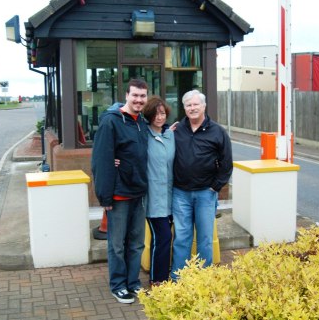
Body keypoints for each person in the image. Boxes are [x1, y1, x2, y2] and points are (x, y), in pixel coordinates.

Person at [91, 79, 149, 304]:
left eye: (142, 96)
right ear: (126, 95)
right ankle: (118, 285)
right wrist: (104, 196)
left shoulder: (141, 122)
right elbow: (101, 160)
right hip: (118, 196)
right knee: (116, 245)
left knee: (136, 243)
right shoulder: (111, 122)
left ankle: (133, 282)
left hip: (139, 194)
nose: (138, 100)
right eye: (135, 95)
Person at [170, 89, 233, 281]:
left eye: (196, 104)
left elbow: (226, 163)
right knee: (181, 238)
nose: (192, 108)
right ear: (184, 108)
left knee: (205, 239)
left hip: (206, 193)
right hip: (180, 193)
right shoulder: (176, 130)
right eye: (188, 105)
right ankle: (178, 278)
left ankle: (203, 279)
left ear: (204, 106)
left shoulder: (218, 132)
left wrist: (215, 186)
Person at [142, 96, 175, 285]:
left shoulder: (171, 135)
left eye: (162, 113)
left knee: (161, 239)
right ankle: (158, 280)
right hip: (153, 198)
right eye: (155, 114)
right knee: (163, 237)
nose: (159, 117)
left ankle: (159, 275)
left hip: (171, 197)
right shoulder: (143, 135)